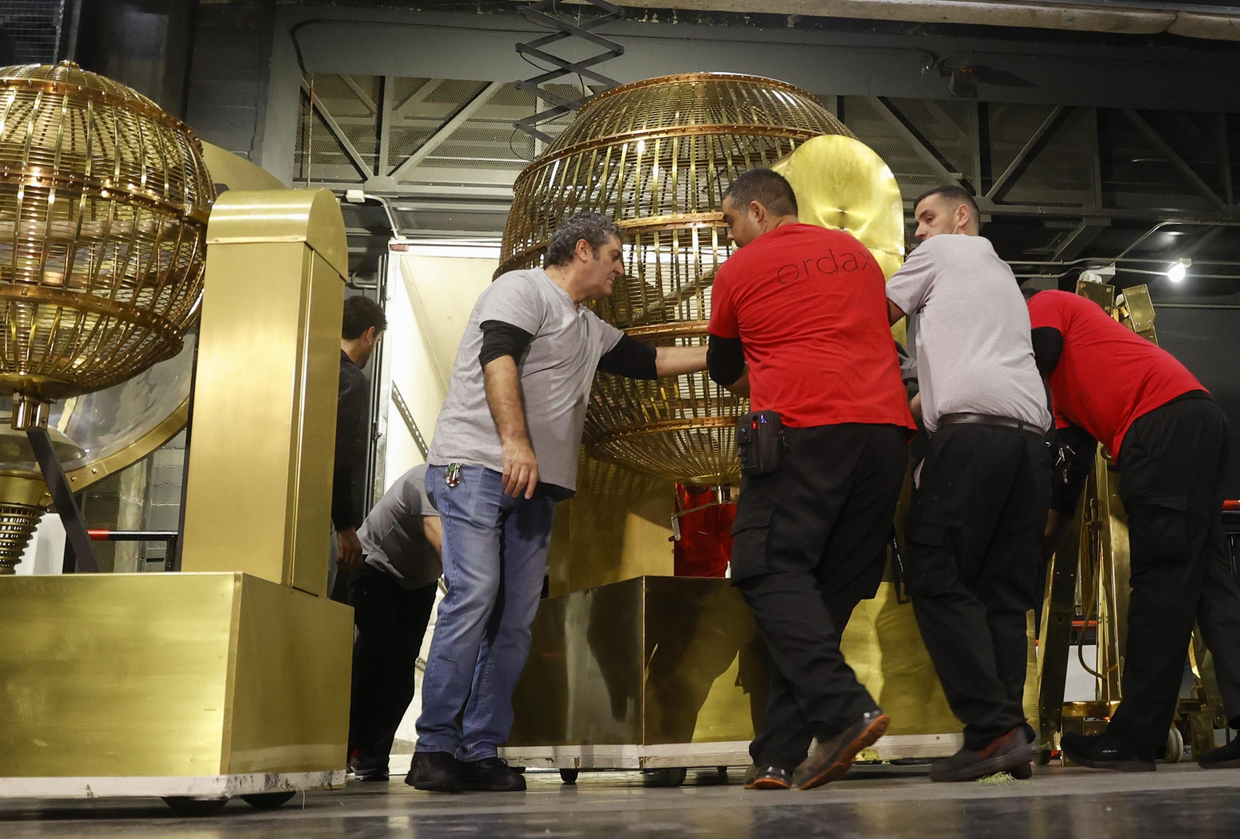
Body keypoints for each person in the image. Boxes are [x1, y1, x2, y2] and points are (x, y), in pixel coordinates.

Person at [408, 212, 709, 793]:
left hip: (536, 487)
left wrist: (729, 355)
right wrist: (515, 442)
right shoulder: (522, 289)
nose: (620, 270)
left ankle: (480, 748)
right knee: (475, 596)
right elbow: (497, 359)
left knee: (516, 618)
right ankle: (435, 746)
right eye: (615, 257)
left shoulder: (587, 327)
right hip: (475, 467)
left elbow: (653, 361)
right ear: (582, 250)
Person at [706, 168, 915, 792]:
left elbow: (722, 366)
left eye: (730, 222)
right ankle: (778, 754)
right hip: (884, 435)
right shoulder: (854, 254)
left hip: (803, 430)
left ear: (758, 212)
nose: (728, 236)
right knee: (827, 592)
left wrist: (769, 380)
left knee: (763, 566)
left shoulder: (739, 271)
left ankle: (844, 707)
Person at [1030, 288, 1240, 771]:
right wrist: (1038, 557)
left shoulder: (1042, 303)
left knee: (1159, 579)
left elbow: (1035, 351)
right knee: (1207, 580)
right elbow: (1066, 481)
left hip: (1158, 426)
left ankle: (1134, 736)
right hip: (1195, 418)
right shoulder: (1064, 398)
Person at [884, 185, 1051, 782]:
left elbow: (869, 317)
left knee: (932, 569)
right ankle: (1008, 736)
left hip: (972, 440)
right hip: (1031, 442)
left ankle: (994, 727)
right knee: (1002, 595)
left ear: (961, 218)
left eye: (926, 219)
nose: (918, 234)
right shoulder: (1002, 275)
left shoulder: (945, 253)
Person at [347, 465, 442, 782]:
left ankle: (374, 754)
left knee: (401, 672)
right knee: (375, 655)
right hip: (375, 566)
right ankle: (347, 746)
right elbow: (444, 541)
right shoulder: (424, 481)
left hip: (419, 582)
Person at [333, 296, 386, 591]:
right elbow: (338, 456)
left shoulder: (313, 365)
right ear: (369, 334)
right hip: (324, 514)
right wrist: (345, 526)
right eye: (376, 341)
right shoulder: (351, 379)